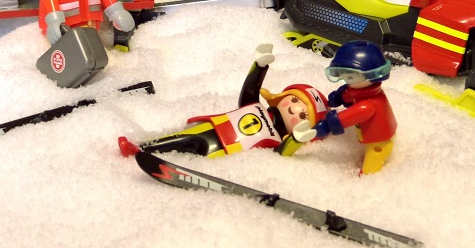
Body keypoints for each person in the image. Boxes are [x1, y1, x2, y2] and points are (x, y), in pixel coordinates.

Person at [118, 44, 328, 158]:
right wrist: (260, 66)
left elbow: (281, 153)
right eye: (294, 100)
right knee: (179, 139)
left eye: (303, 115)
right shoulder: (255, 106)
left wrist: (296, 140)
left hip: (227, 151)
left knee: (193, 155)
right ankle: (139, 148)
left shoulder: (275, 141)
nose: (294, 110)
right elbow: (249, 91)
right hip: (215, 126)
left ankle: (150, 157)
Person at [293, 40, 397, 174]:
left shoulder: (367, 106)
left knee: (369, 171)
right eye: (342, 74)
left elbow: (344, 119)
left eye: (351, 77)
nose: (346, 80)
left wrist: (327, 126)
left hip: (379, 143)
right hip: (374, 134)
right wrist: (341, 96)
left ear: (372, 76)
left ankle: (365, 180)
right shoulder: (364, 92)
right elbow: (354, 94)